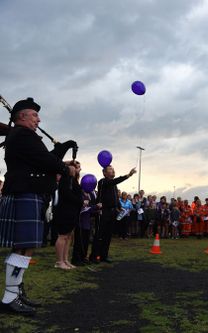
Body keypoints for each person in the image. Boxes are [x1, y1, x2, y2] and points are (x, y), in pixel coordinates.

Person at [0, 97, 76, 314]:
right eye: (34, 115)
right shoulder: (23, 135)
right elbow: (45, 160)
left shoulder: (22, 136)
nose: (38, 119)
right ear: (22, 116)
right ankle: (10, 297)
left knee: (25, 247)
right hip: (25, 193)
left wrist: (62, 159)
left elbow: (43, 159)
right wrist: (65, 168)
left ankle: (15, 293)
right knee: (22, 247)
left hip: (29, 193)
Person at [90, 165, 136, 264]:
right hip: (103, 212)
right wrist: (128, 175)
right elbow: (113, 181)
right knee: (99, 235)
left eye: (113, 169)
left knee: (108, 236)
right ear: (104, 173)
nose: (113, 170)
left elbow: (115, 198)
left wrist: (120, 208)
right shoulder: (103, 181)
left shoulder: (114, 185)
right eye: (110, 169)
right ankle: (94, 256)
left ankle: (104, 256)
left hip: (112, 213)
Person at [53, 161, 84, 270]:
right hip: (64, 212)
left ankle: (65, 259)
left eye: (79, 167)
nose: (78, 169)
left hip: (72, 211)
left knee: (69, 236)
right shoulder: (65, 180)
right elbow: (67, 194)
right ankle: (59, 261)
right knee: (62, 236)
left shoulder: (74, 180)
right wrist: (80, 201)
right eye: (76, 167)